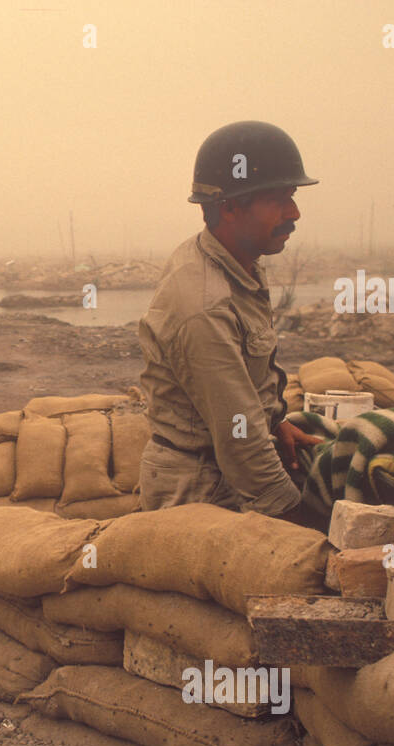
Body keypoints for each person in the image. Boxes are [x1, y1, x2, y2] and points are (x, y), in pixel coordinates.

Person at [138, 120, 323, 518]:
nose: (294, 212)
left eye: (292, 196)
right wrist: (302, 520)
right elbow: (239, 439)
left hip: (229, 471)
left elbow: (247, 388)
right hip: (201, 490)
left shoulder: (238, 263)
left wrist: (276, 423)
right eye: (279, 199)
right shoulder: (202, 302)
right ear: (230, 207)